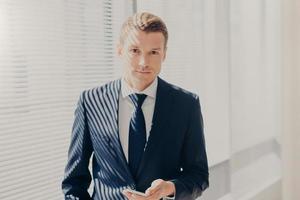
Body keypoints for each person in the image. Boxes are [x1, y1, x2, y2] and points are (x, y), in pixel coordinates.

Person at [62, 12, 209, 200]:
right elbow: (74, 182)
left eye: (153, 52)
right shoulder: (90, 101)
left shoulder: (186, 105)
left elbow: (198, 175)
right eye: (135, 51)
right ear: (120, 50)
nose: (143, 62)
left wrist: (170, 188)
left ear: (164, 54)